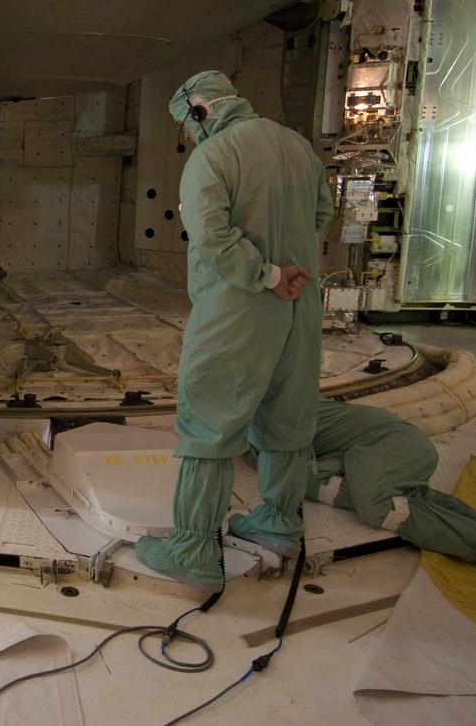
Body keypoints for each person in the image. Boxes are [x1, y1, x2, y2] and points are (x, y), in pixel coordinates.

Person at [134, 70, 333, 590]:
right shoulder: (298, 147)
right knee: (288, 416)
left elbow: (211, 235)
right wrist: (287, 264)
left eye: (187, 124)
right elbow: (321, 212)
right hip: (302, 304)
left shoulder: (213, 155)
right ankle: (279, 523)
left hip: (240, 307)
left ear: (200, 110)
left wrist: (267, 274)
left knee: (211, 422)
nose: (188, 135)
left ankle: (194, 550)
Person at [249, 399, 476, 571]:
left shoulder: (277, 416)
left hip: (391, 442)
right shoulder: (265, 419)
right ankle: (473, 529)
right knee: (399, 499)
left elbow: (285, 465)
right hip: (374, 450)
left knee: (378, 507)